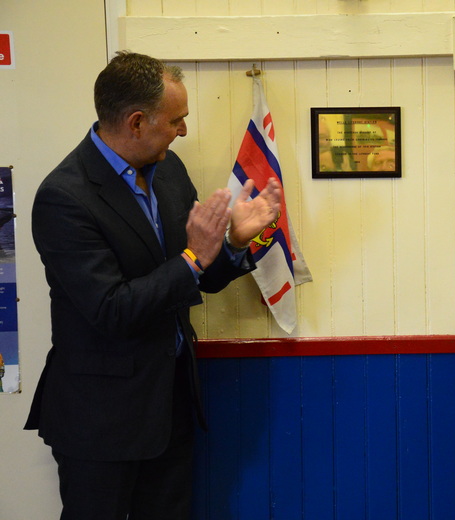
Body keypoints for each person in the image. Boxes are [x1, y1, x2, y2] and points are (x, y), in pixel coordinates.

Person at [24, 51, 281, 520]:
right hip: (99, 420)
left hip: (170, 405)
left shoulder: (171, 171)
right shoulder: (64, 197)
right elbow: (111, 310)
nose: (183, 130)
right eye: (176, 120)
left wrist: (234, 243)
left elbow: (198, 274)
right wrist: (193, 257)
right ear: (137, 122)